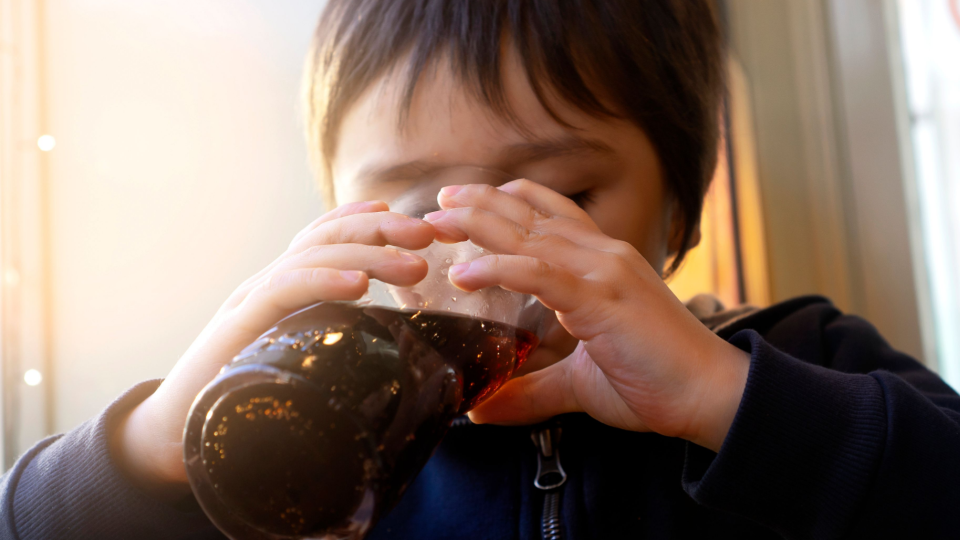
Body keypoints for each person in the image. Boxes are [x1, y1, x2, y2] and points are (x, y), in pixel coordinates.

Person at [4, 1, 960, 538]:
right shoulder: (323, 440)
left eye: (562, 201)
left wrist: (725, 397)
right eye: (421, 210)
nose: (478, 262)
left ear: (678, 211)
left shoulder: (799, 358)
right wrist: (158, 440)